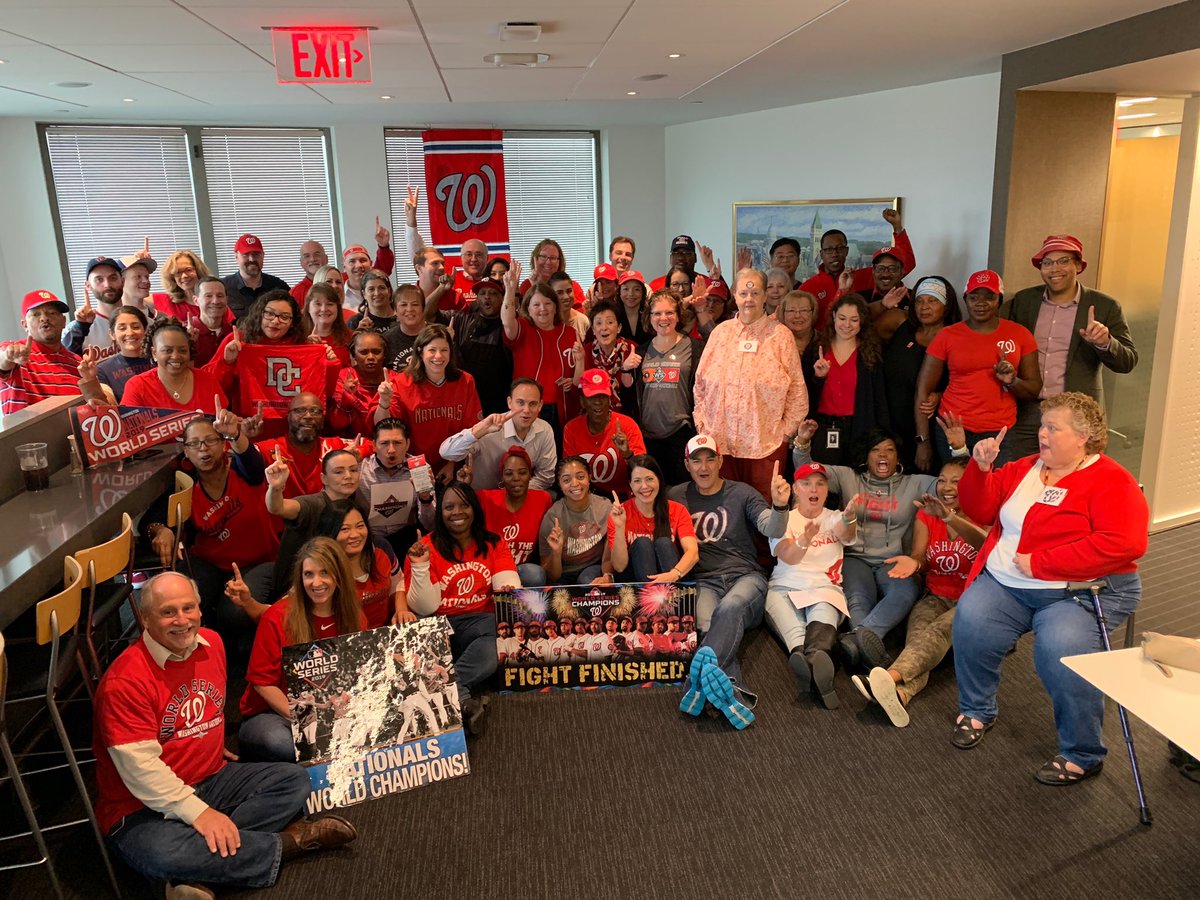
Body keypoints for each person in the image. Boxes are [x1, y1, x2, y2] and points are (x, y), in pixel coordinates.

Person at [93, 571, 357, 897]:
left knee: (294, 781)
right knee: (164, 852)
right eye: (168, 612)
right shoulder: (124, 681)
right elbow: (141, 773)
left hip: (210, 778)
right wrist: (199, 814)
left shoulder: (212, 644)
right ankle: (293, 842)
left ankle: (191, 875)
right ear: (144, 619)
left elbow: (207, 710)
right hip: (139, 807)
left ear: (200, 610)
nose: (182, 620)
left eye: (188, 608)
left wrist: (206, 745)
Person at [949, 392, 1148, 785]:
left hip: (1074, 591)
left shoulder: (1111, 480)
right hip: (1008, 582)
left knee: (1061, 653)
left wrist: (1042, 563)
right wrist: (980, 467)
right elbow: (979, 507)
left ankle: (1083, 752)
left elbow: (1125, 543)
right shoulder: (1026, 467)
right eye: (1042, 425)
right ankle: (977, 709)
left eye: (1053, 428)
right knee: (971, 622)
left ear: (1083, 437)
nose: (1042, 433)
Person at [792, 423, 939, 671]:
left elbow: (955, 485)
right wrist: (803, 443)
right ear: (866, 456)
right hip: (855, 557)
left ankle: (856, 641)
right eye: (875, 450)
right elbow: (807, 472)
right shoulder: (849, 477)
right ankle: (869, 648)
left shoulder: (914, 483)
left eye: (889, 450)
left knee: (904, 593)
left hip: (892, 559)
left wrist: (959, 451)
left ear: (897, 456)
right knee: (859, 599)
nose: (882, 455)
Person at [853, 459, 986, 727]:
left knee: (937, 631)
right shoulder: (926, 515)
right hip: (936, 595)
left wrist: (950, 517)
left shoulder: (984, 514)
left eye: (956, 481)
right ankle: (900, 695)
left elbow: (986, 546)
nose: (947, 487)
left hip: (974, 599)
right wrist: (914, 563)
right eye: (942, 479)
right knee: (917, 640)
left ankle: (887, 678)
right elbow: (921, 556)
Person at [143, 415, 277, 667]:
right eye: (194, 444)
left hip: (259, 561)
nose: (203, 449)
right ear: (186, 451)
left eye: (210, 441)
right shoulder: (185, 485)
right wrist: (161, 530)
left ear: (224, 444)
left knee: (234, 612)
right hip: (211, 563)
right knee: (184, 599)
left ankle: (242, 657)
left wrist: (237, 435)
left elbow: (254, 464)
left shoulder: (243, 470)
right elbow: (150, 520)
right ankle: (200, 660)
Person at [669, 434, 790, 709]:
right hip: (704, 581)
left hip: (745, 577)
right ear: (686, 465)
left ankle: (694, 684)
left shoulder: (742, 492)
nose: (704, 467)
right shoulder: (675, 496)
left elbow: (773, 528)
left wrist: (780, 505)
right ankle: (733, 694)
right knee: (705, 626)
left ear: (720, 461)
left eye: (710, 459)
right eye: (696, 460)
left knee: (731, 606)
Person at [1001, 234, 1139, 458]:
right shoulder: (1024, 301)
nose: (1055, 268)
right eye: (1047, 263)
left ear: (1078, 265)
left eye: (1063, 261)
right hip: (1026, 409)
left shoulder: (1105, 305)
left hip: (1075, 414)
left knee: (1072, 481)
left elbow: (1128, 361)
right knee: (1019, 476)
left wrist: (1105, 343)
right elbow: (997, 339)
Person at [403, 482, 521, 734]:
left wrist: (510, 588)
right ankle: (463, 697)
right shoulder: (423, 548)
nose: (457, 512)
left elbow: (507, 587)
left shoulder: (493, 542)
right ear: (439, 512)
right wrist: (421, 566)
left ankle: (451, 688)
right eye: (449, 507)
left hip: (478, 627)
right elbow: (426, 606)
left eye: (464, 505)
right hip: (438, 628)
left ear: (475, 509)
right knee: (420, 620)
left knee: (497, 632)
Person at [238, 538, 367, 762]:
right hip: (272, 713)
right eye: (308, 574)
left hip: (327, 709)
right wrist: (306, 720)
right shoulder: (277, 617)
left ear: (340, 575)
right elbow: (262, 684)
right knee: (283, 743)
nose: (316, 583)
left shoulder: (355, 617)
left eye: (325, 573)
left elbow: (355, 673)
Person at [693, 268, 807, 499]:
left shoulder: (781, 336)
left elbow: (797, 391)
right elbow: (700, 385)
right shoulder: (720, 333)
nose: (749, 299)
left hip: (765, 445)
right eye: (744, 293)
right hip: (720, 443)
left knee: (763, 512)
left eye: (755, 293)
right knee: (725, 510)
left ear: (765, 296)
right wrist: (703, 425)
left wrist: (784, 435)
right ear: (734, 294)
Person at [916, 270, 1042, 465]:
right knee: (956, 489)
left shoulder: (1020, 334)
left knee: (994, 490)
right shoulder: (948, 335)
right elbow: (923, 389)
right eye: (974, 297)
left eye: (989, 297)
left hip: (999, 431)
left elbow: (1034, 389)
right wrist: (922, 441)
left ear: (999, 300)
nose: (980, 303)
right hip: (953, 426)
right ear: (966, 300)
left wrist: (1012, 381)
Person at [763, 462, 859, 709]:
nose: (813, 489)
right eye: (806, 483)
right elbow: (790, 556)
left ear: (827, 490)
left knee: (821, 617)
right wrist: (804, 539)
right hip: (784, 589)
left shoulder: (835, 517)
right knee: (796, 636)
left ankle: (815, 660)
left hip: (824, 590)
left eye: (820, 483)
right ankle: (814, 665)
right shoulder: (783, 518)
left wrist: (849, 517)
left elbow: (845, 534)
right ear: (796, 488)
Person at [371, 323, 482, 480]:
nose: (438, 356)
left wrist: (451, 463)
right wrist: (384, 402)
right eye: (432, 350)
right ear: (420, 352)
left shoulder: (465, 381)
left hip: (454, 466)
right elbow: (383, 428)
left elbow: (471, 430)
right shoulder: (401, 383)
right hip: (412, 466)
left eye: (444, 350)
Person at [884, 276, 960, 473]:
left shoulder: (956, 337)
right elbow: (857, 323)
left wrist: (940, 395)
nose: (924, 307)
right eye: (919, 300)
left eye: (933, 300)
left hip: (930, 430)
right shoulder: (900, 324)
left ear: (947, 305)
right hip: (891, 424)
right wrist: (883, 304)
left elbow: (966, 381)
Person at [266, 446, 364, 597]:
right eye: (339, 472)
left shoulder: (355, 505)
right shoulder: (312, 504)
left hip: (332, 586)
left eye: (353, 470)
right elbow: (277, 507)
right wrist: (275, 487)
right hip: (296, 592)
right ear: (323, 478)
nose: (348, 476)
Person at [807, 293, 889, 467]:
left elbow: (880, 397)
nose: (847, 325)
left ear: (862, 322)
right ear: (834, 317)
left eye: (854, 320)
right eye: (842, 318)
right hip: (823, 427)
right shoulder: (818, 349)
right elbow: (804, 395)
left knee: (855, 478)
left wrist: (883, 434)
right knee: (825, 477)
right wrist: (819, 378)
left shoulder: (871, 352)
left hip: (859, 427)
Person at [634, 289, 705, 488]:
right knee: (652, 493)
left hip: (681, 433)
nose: (663, 318)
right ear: (650, 317)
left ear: (678, 316)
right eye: (657, 313)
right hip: (648, 437)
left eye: (669, 313)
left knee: (681, 492)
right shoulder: (641, 351)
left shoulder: (695, 348)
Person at [439, 377, 557, 492]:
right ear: (509, 403)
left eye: (532, 404)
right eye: (520, 402)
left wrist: (513, 493)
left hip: (519, 498)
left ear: (540, 405)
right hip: (481, 499)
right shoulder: (489, 428)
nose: (526, 410)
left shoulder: (544, 429)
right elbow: (446, 453)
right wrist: (480, 430)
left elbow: (546, 477)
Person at [799, 209, 913, 327]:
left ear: (847, 251)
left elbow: (906, 264)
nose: (835, 254)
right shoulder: (808, 287)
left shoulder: (862, 276)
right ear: (821, 253)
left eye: (840, 248)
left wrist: (897, 228)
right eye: (829, 250)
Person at [500, 263, 578, 435]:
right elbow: (506, 320)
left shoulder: (570, 333)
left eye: (548, 303)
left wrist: (571, 381)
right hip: (528, 409)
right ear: (527, 308)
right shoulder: (523, 328)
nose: (543, 309)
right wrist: (510, 290)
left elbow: (578, 370)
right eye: (536, 305)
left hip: (562, 409)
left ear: (555, 306)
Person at [423, 276, 514, 415]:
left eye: (493, 293)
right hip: (464, 402)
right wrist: (442, 289)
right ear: (477, 299)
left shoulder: (510, 327)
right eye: (482, 293)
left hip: (500, 405)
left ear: (503, 298)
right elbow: (427, 314)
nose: (487, 297)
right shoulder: (460, 320)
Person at [607, 455, 699, 582]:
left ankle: (670, 599)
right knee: (642, 543)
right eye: (637, 481)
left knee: (664, 543)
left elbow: (692, 553)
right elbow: (619, 567)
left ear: (659, 481)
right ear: (630, 485)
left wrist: (674, 574)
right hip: (636, 586)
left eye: (649, 479)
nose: (644, 486)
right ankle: (651, 599)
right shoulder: (619, 513)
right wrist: (619, 526)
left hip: (671, 579)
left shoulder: (678, 510)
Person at [356, 417, 436, 557]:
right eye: (384, 443)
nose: (391, 450)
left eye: (398, 443)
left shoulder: (420, 468)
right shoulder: (358, 467)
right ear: (374, 445)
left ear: (407, 444)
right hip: (368, 539)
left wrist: (425, 499)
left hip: (406, 539)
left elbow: (430, 524)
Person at [562, 368, 646, 498]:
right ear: (582, 401)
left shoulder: (627, 425)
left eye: (602, 396)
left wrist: (627, 454)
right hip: (586, 495)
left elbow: (643, 471)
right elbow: (569, 471)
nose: (597, 402)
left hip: (623, 495)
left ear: (610, 399)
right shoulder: (571, 428)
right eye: (591, 397)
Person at [478, 446, 553, 587]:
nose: (516, 478)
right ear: (501, 477)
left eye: (522, 472)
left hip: (521, 570)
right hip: (489, 568)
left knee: (535, 574)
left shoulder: (543, 500)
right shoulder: (485, 498)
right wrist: (464, 484)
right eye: (509, 473)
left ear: (530, 475)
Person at [119, 316, 226, 414]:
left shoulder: (208, 380)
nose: (175, 356)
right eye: (167, 350)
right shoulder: (137, 386)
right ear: (154, 353)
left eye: (182, 350)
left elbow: (222, 428)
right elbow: (128, 430)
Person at [257, 392, 355, 499]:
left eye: (315, 411)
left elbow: (372, 444)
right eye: (300, 410)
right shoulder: (267, 449)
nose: (308, 416)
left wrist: (357, 454)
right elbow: (244, 455)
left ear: (323, 419)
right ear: (288, 417)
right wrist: (238, 436)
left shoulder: (334, 445)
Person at [1, 290, 81, 415]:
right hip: (28, 433)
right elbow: (3, 361)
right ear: (24, 325)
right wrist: (8, 356)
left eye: (52, 313)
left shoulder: (78, 363)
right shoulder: (16, 351)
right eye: (36, 314)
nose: (44, 318)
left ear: (64, 321)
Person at [538, 456, 614, 585]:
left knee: (587, 581)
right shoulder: (553, 517)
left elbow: (610, 553)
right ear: (560, 485)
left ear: (589, 477)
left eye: (580, 477)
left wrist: (608, 575)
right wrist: (556, 552)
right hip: (564, 573)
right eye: (566, 480)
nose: (574, 484)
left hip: (593, 568)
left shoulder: (605, 507)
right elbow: (551, 577)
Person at [333, 505, 410, 629]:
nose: (355, 535)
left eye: (360, 526)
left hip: (386, 629)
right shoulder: (323, 565)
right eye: (345, 529)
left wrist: (401, 610)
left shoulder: (381, 547)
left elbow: (398, 583)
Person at [330, 330, 401, 438]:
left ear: (385, 353)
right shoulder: (343, 377)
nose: (371, 357)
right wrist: (346, 398)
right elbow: (337, 423)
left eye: (376, 352)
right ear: (354, 354)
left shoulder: (396, 379)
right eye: (364, 352)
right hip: (351, 444)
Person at [580, 301, 640, 414]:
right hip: (596, 414)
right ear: (593, 329)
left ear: (619, 327)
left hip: (627, 414)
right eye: (598, 323)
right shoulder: (585, 352)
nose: (604, 328)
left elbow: (637, 393)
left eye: (610, 322)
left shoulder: (632, 350)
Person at [89, 305, 153, 402]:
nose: (130, 332)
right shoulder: (104, 370)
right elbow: (107, 404)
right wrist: (89, 379)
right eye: (122, 328)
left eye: (135, 327)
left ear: (145, 330)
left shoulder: (160, 360)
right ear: (112, 334)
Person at [63, 256, 124, 356]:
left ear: (123, 281)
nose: (107, 285)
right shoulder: (77, 329)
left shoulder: (140, 321)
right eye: (99, 280)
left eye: (113, 278)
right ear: (88, 286)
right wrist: (81, 327)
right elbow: (65, 362)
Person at [222, 234, 289, 320]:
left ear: (263, 256)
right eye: (245, 254)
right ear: (236, 257)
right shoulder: (224, 288)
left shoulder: (279, 287)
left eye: (256, 254)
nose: (252, 259)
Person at [378, 283, 430, 372]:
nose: (409, 309)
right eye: (403, 305)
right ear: (395, 310)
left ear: (423, 308)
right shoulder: (385, 340)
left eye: (415, 304)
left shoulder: (437, 335)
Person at [342, 230, 396, 313]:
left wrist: (384, 246)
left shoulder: (382, 293)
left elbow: (384, 266)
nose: (358, 265)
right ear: (344, 266)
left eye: (363, 260)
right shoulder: (338, 296)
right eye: (352, 261)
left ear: (371, 263)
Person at [302, 282, 353, 369]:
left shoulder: (351, 337)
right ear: (308, 308)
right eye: (318, 304)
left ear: (338, 308)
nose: (324, 309)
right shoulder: (297, 338)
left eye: (330, 304)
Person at [520, 239, 584, 308]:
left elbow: (580, 313)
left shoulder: (571, 287)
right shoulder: (527, 286)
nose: (548, 262)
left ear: (559, 261)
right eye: (543, 257)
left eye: (553, 258)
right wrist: (537, 287)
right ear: (535, 259)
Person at [186, 277, 234, 367]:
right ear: (196, 300)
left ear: (226, 300)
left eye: (220, 296)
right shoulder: (184, 333)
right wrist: (187, 344)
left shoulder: (233, 334)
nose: (215, 301)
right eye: (208, 296)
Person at [160, 250, 213, 317]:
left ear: (198, 271)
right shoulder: (165, 300)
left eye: (188, 270)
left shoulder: (215, 300)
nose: (184, 276)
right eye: (178, 272)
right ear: (172, 278)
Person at [616, 269, 653, 345]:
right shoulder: (614, 315)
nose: (631, 294)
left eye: (636, 289)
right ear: (619, 292)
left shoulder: (651, 314)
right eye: (626, 289)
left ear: (643, 292)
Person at [550, 271, 591, 340]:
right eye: (559, 293)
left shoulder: (583, 321)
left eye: (569, 291)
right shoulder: (546, 323)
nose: (566, 297)